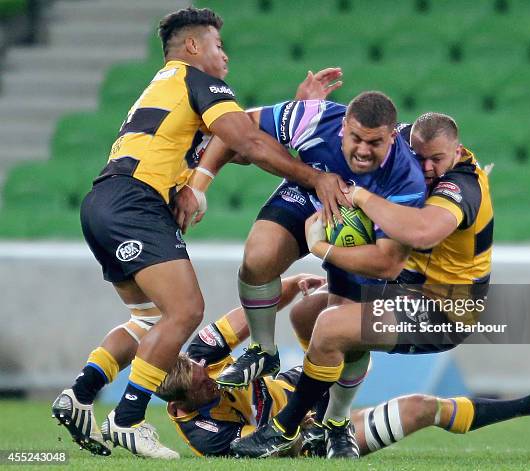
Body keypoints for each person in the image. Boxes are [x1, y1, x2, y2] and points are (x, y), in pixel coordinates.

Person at [51, 7, 348, 459]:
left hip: (104, 202)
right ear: (193, 46)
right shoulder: (199, 81)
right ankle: (128, 419)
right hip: (135, 202)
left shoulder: (167, 86)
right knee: (186, 311)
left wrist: (300, 111)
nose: (224, 56)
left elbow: (239, 146)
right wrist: (316, 177)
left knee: (151, 321)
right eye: (218, 45)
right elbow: (247, 141)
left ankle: (81, 393)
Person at [230, 112, 498, 458]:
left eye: (438, 159)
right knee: (307, 315)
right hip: (406, 288)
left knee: (332, 327)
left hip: (445, 308)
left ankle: (286, 428)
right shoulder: (397, 147)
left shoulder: (460, 186)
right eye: (421, 157)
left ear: (458, 153)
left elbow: (421, 231)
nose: (428, 167)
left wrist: (351, 210)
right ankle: (331, 423)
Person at [178, 92, 426, 393]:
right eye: (355, 138)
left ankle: (336, 419)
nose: (362, 150)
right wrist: (199, 186)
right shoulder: (316, 116)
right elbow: (236, 128)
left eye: (374, 143)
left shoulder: (407, 179)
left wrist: (323, 248)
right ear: (344, 125)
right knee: (259, 257)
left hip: (364, 232)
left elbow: (387, 264)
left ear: (392, 136)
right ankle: (263, 350)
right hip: (309, 197)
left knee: (345, 330)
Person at [159, 301, 530, 458]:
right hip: (308, 440)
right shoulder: (204, 435)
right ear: (181, 407)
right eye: (205, 388)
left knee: (307, 312)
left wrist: (290, 283)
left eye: (207, 375)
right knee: (424, 408)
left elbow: (250, 310)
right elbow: (271, 449)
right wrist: (306, 427)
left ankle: (369, 329)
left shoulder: (199, 359)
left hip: (304, 388)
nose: (213, 381)